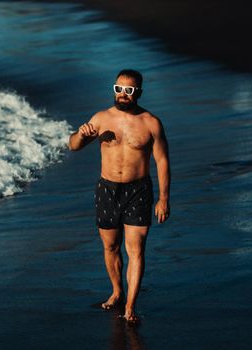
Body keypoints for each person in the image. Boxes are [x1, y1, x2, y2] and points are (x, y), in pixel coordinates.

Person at [68, 69, 170, 324]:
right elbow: (73, 146)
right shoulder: (101, 119)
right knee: (110, 246)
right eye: (119, 89)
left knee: (135, 250)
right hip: (107, 190)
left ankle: (130, 307)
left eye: (129, 90)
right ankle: (117, 291)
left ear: (139, 93)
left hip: (139, 191)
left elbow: (162, 160)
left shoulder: (151, 123)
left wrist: (164, 198)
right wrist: (81, 134)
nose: (123, 94)